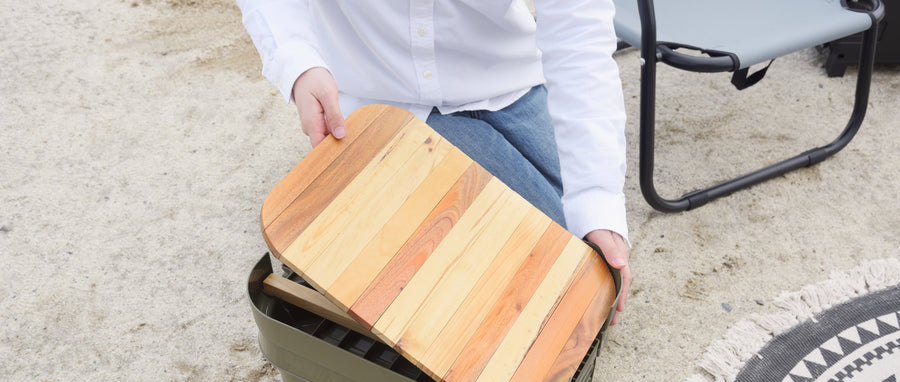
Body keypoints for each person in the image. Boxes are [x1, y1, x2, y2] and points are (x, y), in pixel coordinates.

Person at [237, 0, 631, 324]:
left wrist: (597, 196)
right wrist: (298, 63)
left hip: (506, 78)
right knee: (529, 289)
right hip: (380, 92)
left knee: (581, 265)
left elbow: (578, 34)